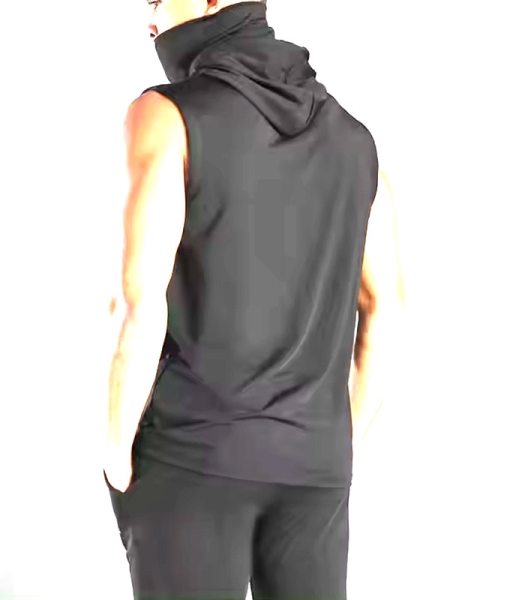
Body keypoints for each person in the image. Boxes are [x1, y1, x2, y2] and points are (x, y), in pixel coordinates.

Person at [103, 0, 405, 598]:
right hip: (313, 466)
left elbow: (136, 303)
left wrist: (115, 454)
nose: (148, 21)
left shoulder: (164, 114)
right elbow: (387, 309)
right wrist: (330, 446)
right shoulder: (355, 139)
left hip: (193, 456)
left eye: (155, 0)